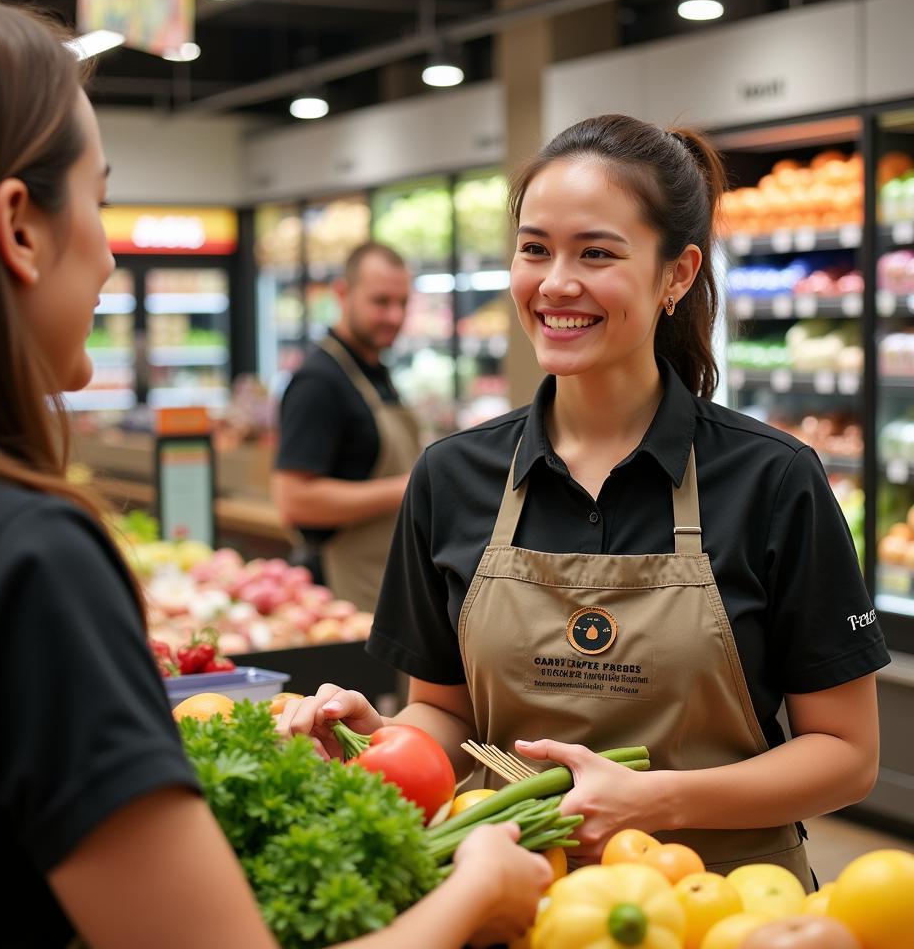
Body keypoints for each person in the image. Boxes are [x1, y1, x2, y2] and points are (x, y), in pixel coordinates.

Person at [0, 0, 551, 948]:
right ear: (19, 228)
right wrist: (480, 888)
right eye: (101, 201)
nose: (112, 260)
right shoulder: (17, 557)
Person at [280, 114, 891, 891]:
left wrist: (656, 800)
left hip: (721, 908)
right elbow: (444, 713)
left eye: (596, 253)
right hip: (508, 899)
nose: (555, 282)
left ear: (677, 274)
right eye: (535, 249)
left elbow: (847, 756)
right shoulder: (451, 477)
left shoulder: (774, 480)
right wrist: (389, 743)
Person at [272, 242, 421, 610]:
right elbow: (293, 500)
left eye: (402, 303)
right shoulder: (318, 382)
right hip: (343, 591)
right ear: (342, 293)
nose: (393, 316)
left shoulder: (374, 373)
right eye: (380, 301)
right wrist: (410, 487)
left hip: (387, 581)